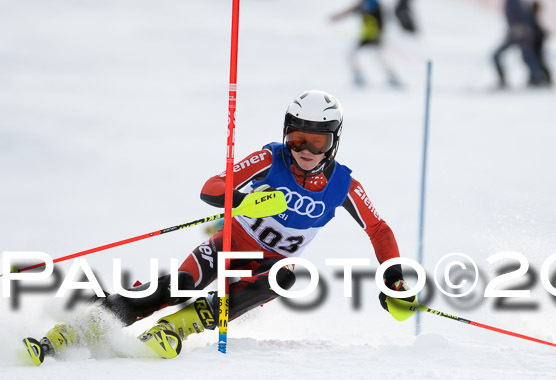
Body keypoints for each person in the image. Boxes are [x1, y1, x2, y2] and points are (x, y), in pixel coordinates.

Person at [22, 90, 411, 365]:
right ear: (285, 134)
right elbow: (213, 186)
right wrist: (242, 201)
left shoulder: (345, 185)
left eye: (318, 140)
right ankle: (69, 334)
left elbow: (378, 229)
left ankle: (177, 328)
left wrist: (392, 275)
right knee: (175, 287)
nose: (305, 150)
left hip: (268, 267)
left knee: (285, 278)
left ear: (334, 143)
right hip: (227, 247)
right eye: (297, 137)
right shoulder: (269, 159)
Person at [331, 0, 402, 88]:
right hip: (366, 36)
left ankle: (392, 77)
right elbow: (350, 11)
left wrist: (380, 33)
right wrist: (338, 17)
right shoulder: (363, 4)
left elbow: (381, 19)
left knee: (379, 56)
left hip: (375, 35)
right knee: (352, 53)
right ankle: (359, 76)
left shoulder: (372, 3)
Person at [492, 0, 547, 89]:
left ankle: (539, 78)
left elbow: (526, 16)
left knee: (528, 57)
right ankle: (502, 79)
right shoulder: (511, 3)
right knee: (497, 55)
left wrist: (522, 28)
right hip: (515, 34)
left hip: (523, 35)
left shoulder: (516, 3)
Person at [529, 1, 553, 86]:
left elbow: (538, 30)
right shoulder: (531, 17)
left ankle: (544, 79)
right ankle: (536, 79)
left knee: (538, 60)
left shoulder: (533, 17)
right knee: (536, 61)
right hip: (535, 43)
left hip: (537, 43)